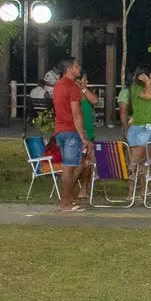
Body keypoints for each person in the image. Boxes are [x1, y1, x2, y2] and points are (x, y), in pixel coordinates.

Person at [51, 57, 90, 212]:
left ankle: (68, 199)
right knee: (69, 168)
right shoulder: (72, 87)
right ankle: (65, 202)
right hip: (71, 131)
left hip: (60, 130)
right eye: (76, 66)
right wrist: (82, 136)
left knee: (68, 167)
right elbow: (76, 113)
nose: (79, 68)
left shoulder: (58, 85)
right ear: (69, 69)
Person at [126, 66, 151, 197]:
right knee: (134, 162)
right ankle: (131, 192)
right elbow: (148, 96)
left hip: (149, 127)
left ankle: (144, 190)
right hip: (140, 129)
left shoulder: (145, 88)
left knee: (146, 161)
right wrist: (147, 83)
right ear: (143, 76)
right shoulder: (137, 88)